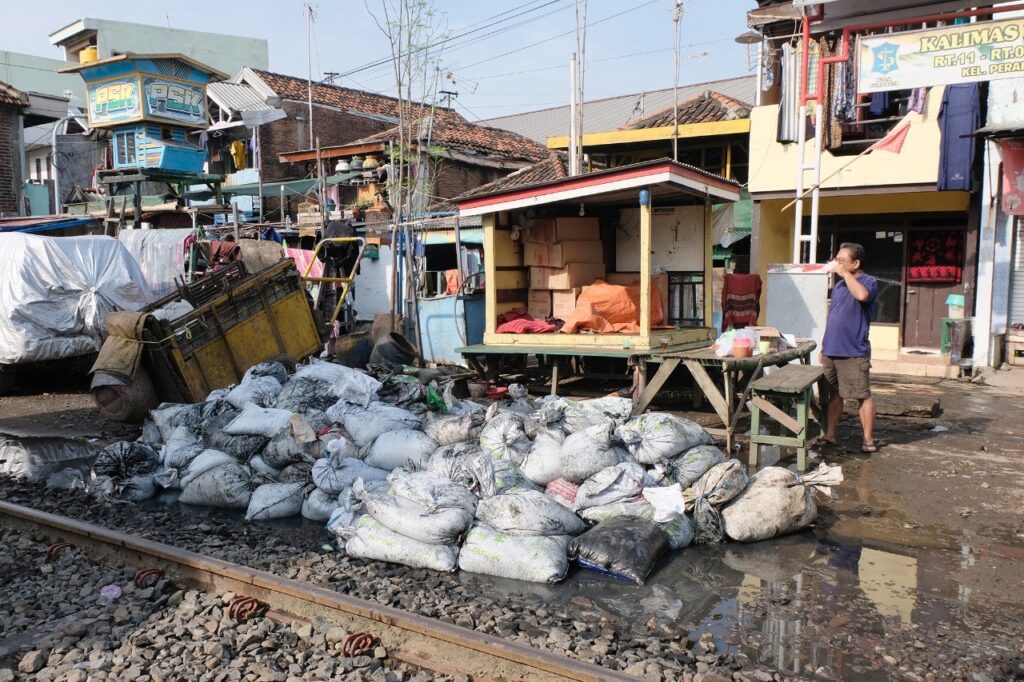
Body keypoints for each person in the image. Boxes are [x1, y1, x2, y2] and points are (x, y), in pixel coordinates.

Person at [820, 242, 879, 453]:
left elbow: (862, 296)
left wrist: (845, 273)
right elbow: (832, 317)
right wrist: (824, 346)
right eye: (836, 259)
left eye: (842, 260)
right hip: (831, 349)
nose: (837, 263)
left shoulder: (868, 281)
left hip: (853, 351)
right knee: (834, 394)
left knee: (862, 395)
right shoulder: (838, 286)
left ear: (856, 263)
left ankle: (868, 440)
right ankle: (829, 435)